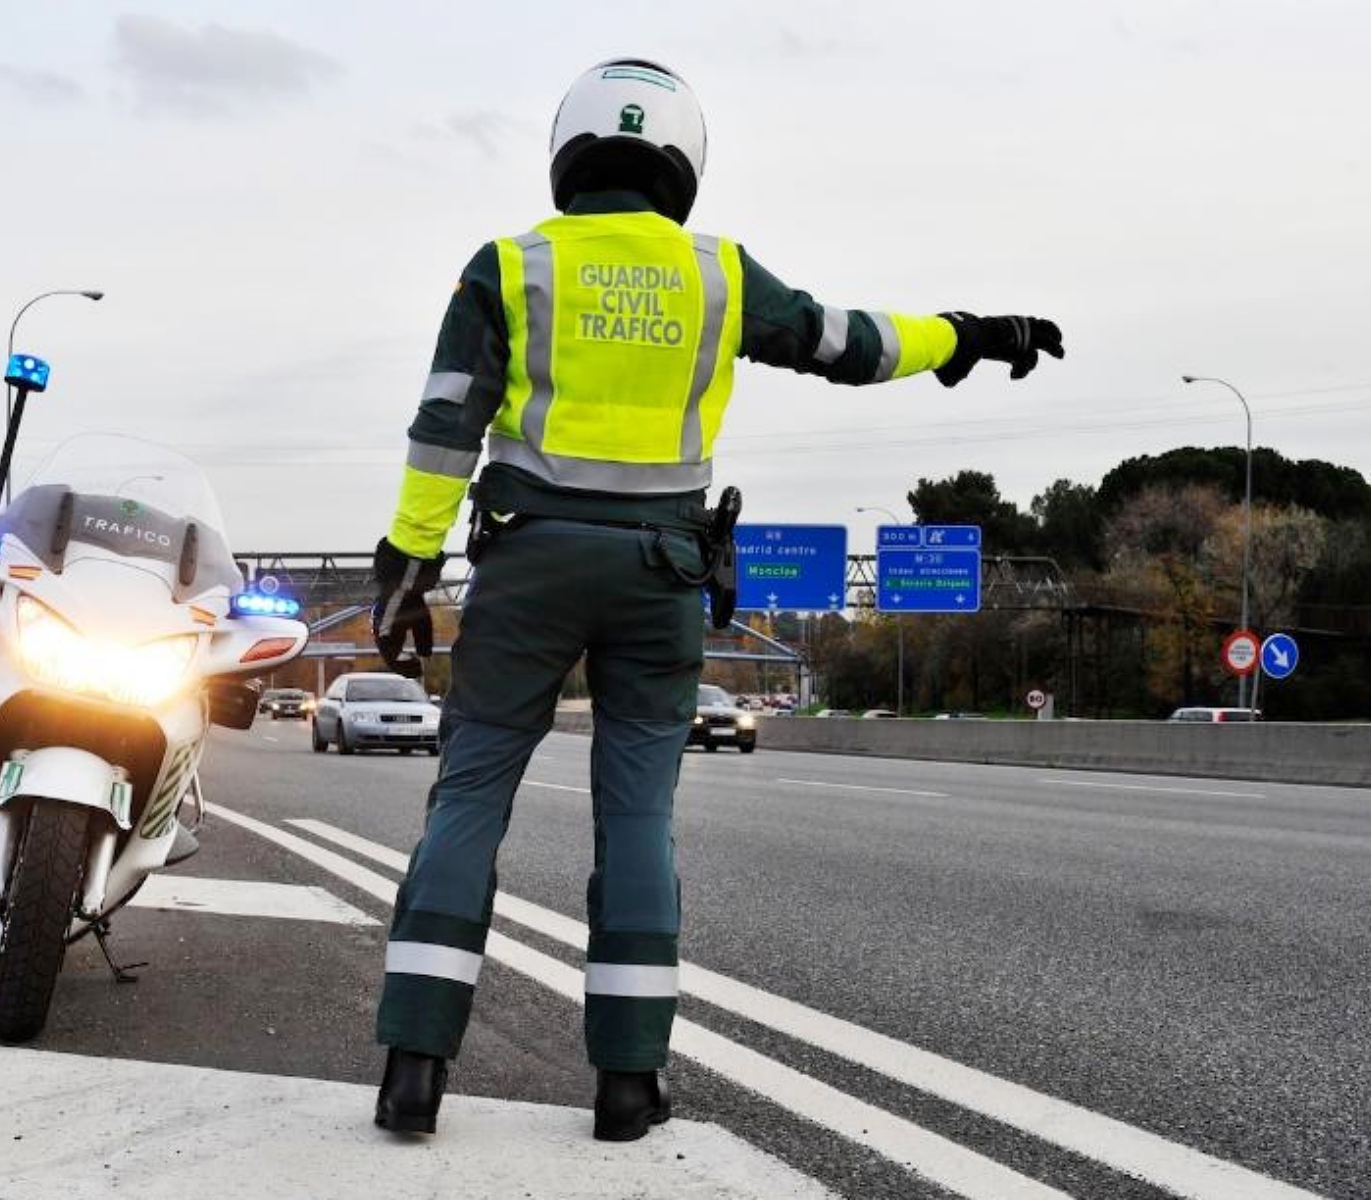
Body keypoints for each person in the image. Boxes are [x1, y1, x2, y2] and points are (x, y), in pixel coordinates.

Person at [368, 58, 1064, 1142]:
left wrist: (406, 570)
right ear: (681, 160)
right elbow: (849, 342)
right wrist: (970, 334)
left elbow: (445, 424)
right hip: (659, 578)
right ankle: (627, 1085)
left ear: (567, 152)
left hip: (527, 566)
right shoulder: (718, 274)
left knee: (467, 801)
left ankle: (414, 1067)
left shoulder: (508, 266)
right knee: (635, 821)